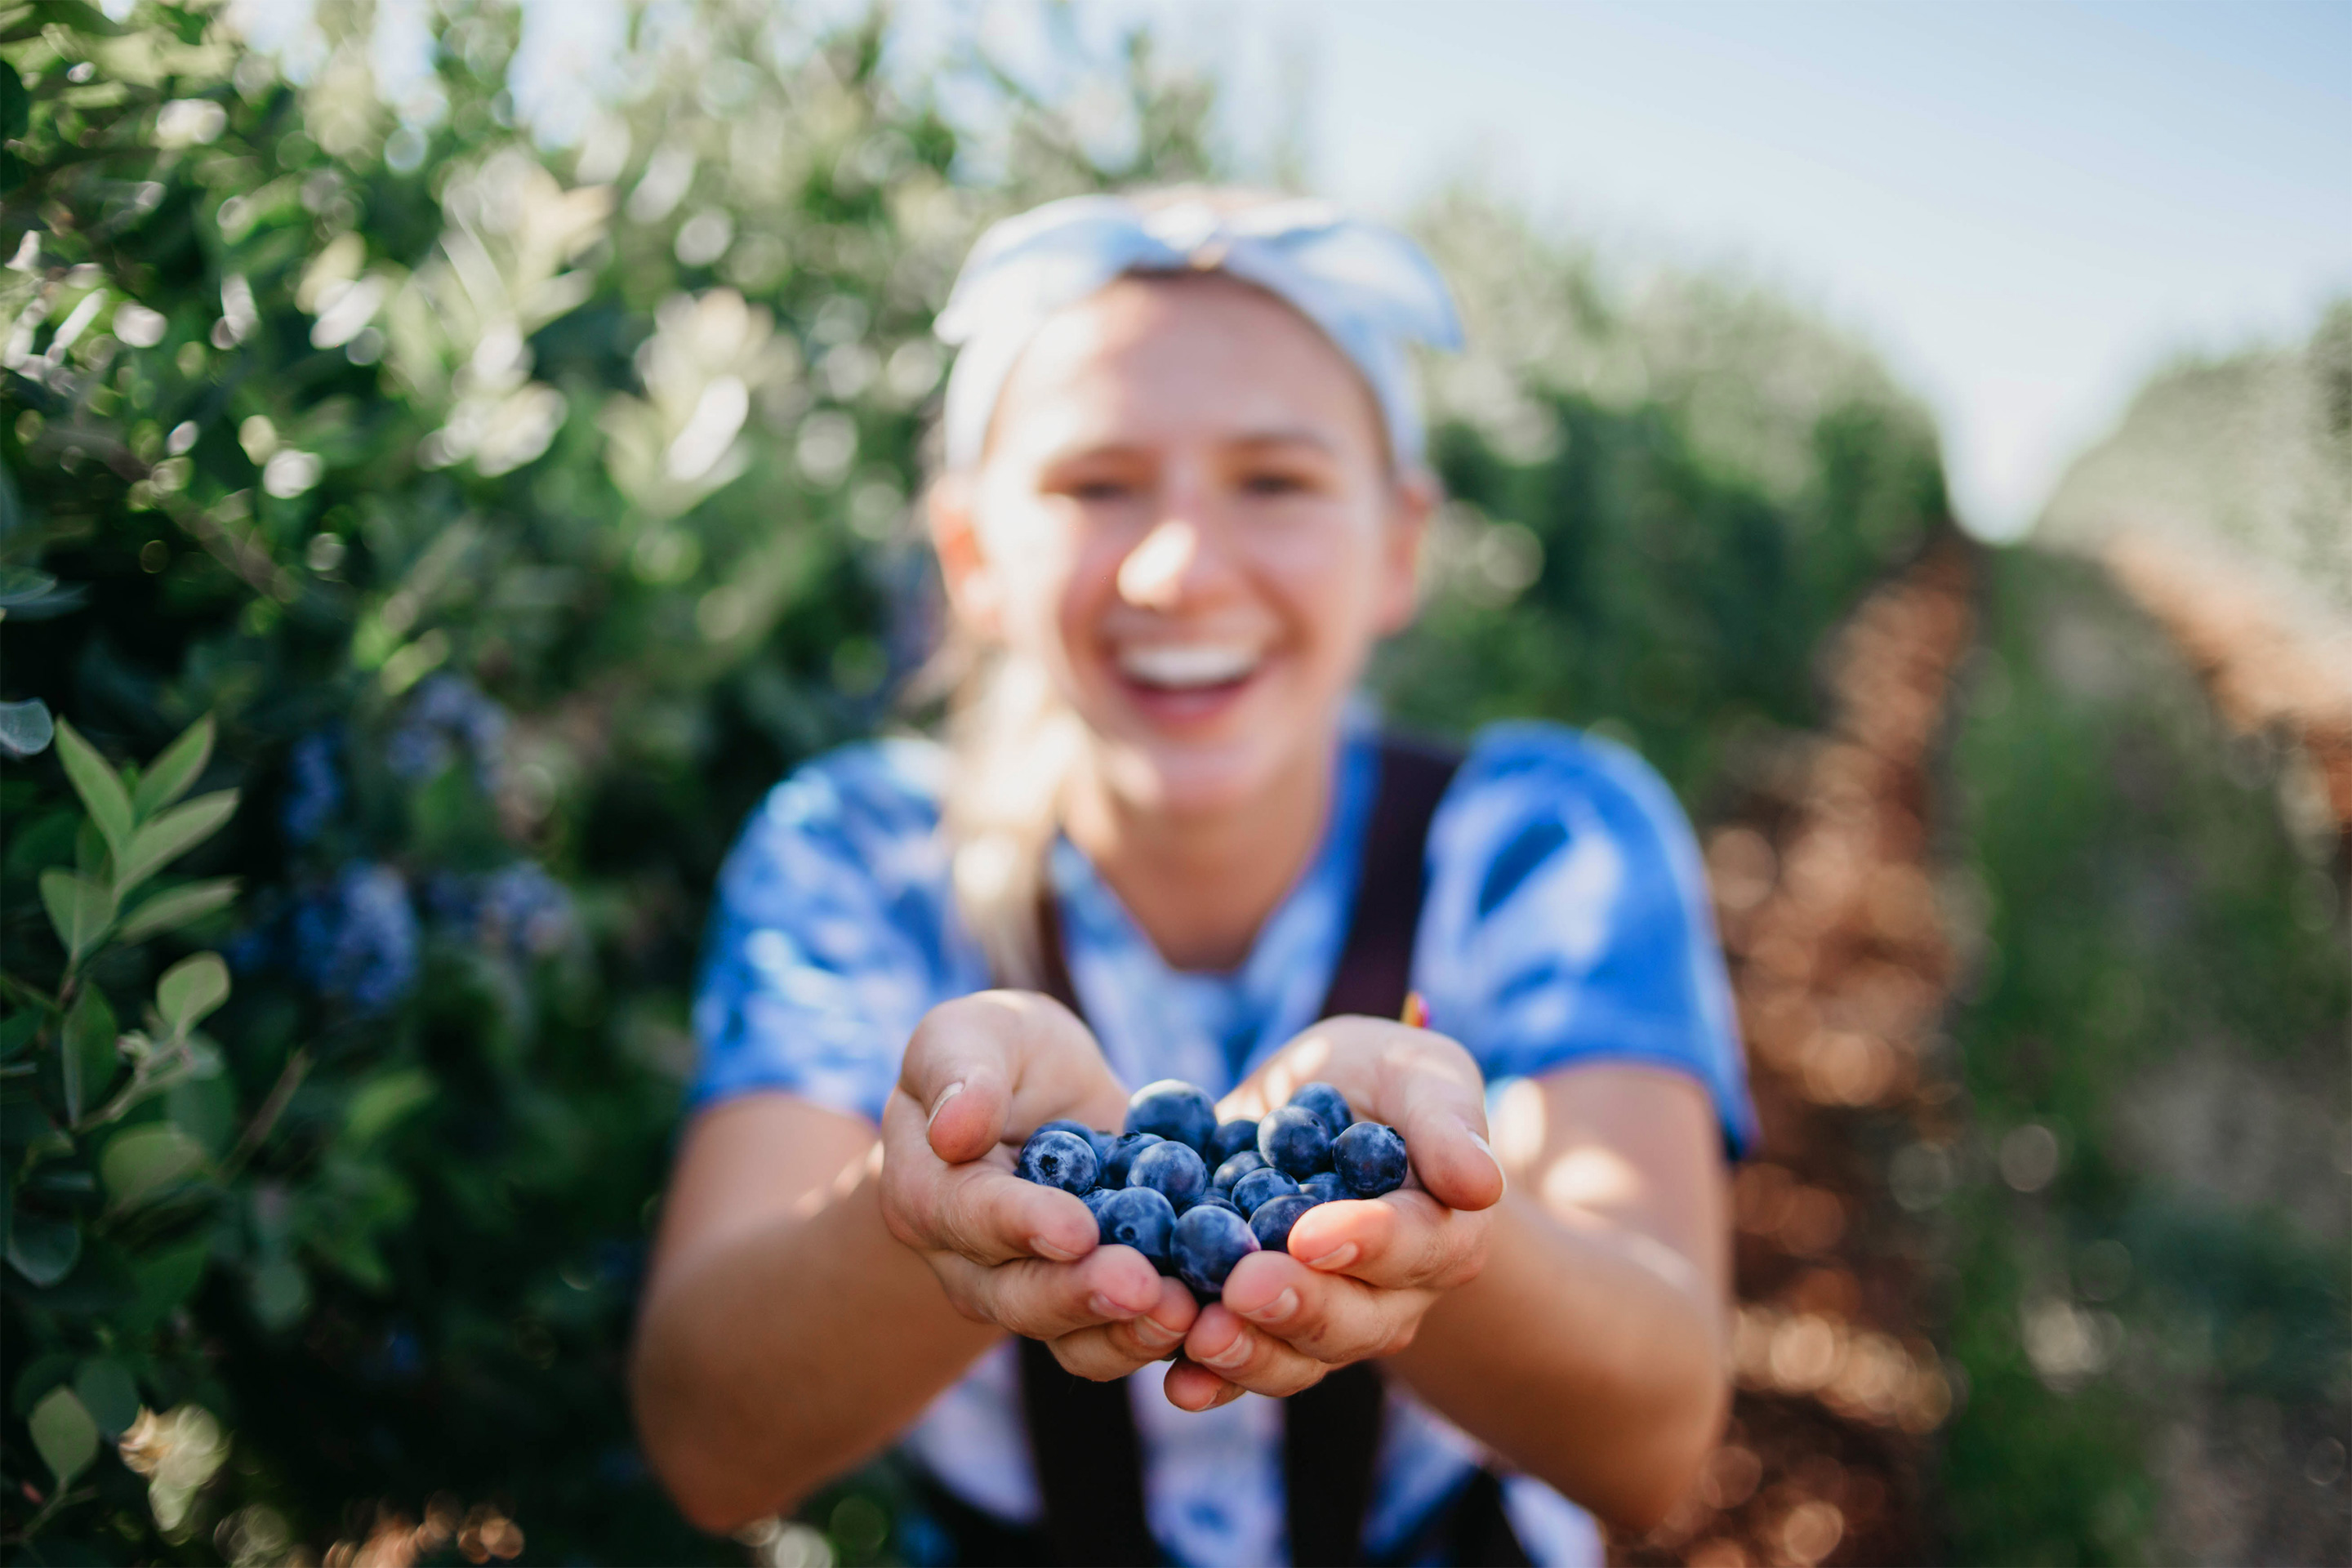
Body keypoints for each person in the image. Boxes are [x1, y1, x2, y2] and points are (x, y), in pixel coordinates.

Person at [630, 190, 1754, 1567]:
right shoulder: (857, 859)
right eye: (1097, 485)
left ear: (1399, 544)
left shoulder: (1544, 846)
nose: (1178, 566)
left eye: (1274, 482)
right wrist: (920, 1209)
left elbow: (1655, 1445)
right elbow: (706, 1441)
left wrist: (1432, 1235)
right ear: (972, 554)